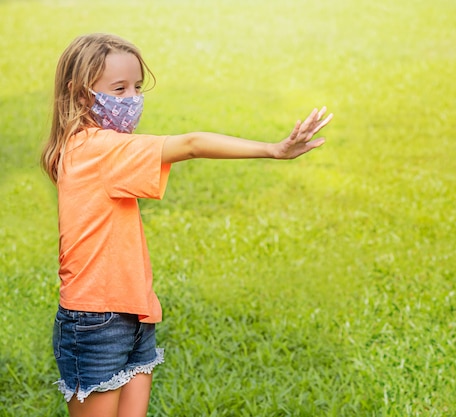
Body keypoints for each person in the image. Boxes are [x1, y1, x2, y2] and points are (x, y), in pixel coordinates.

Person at [41, 33, 332, 417]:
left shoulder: (87, 146)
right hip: (96, 320)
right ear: (81, 96)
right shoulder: (99, 149)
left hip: (134, 311)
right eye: (119, 89)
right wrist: (272, 150)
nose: (133, 99)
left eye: (138, 87)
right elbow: (192, 143)